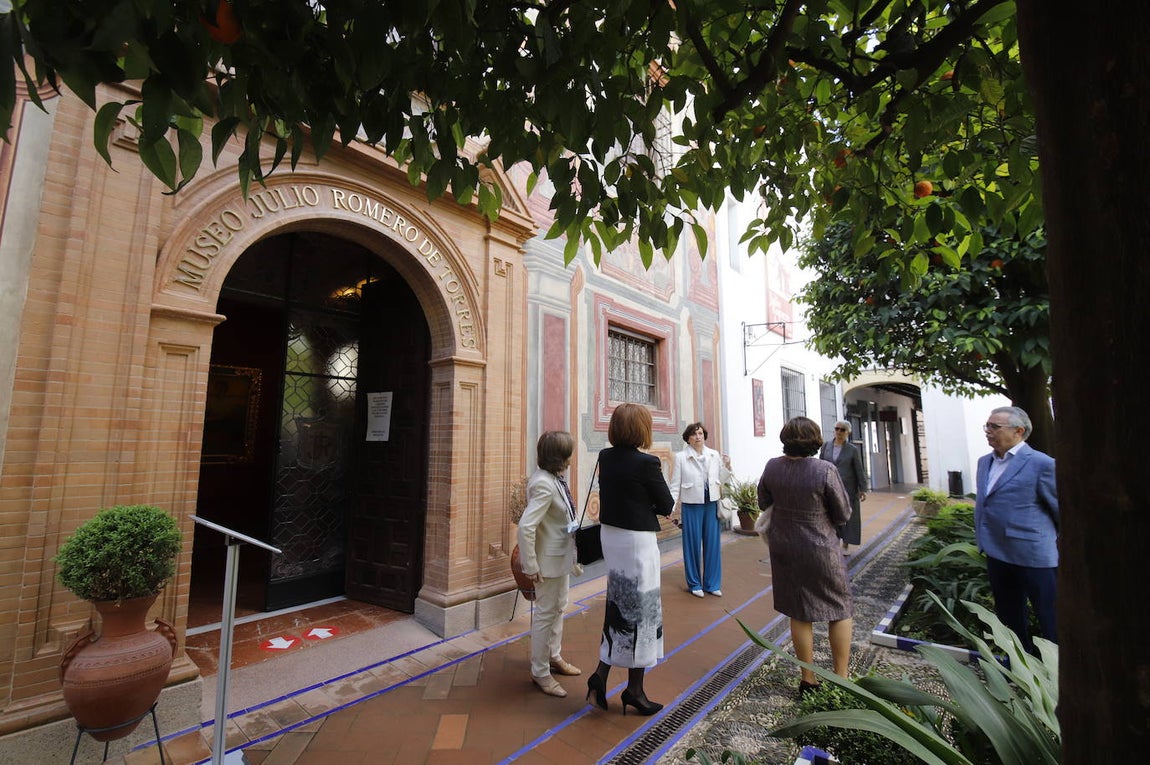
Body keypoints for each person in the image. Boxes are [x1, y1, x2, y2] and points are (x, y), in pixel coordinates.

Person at [586, 403, 675, 716]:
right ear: (642, 429)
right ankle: (634, 690)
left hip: (611, 536)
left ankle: (600, 676)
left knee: (619, 605)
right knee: (643, 612)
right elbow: (666, 503)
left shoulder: (605, 457)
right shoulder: (647, 463)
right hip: (637, 542)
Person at [757, 416, 854, 697]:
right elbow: (843, 513)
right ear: (814, 440)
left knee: (799, 612)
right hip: (820, 547)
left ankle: (807, 679)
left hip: (784, 545)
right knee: (840, 608)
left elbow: (763, 501)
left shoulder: (772, 466)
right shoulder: (825, 469)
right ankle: (841, 678)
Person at [974, 406, 1059, 653]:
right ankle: (1019, 666)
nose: (988, 432)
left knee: (1049, 616)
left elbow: (1060, 508)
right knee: (1009, 617)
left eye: (994, 427)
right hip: (996, 552)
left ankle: (1057, 672)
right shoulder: (984, 462)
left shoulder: (1042, 464)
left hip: (1034, 555)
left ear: (1019, 431)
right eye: (987, 426)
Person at [516, 430, 582, 697]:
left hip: (561, 558)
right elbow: (526, 526)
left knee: (558, 608)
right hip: (547, 563)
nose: (571, 459)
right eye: (568, 454)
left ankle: (554, 656)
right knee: (545, 615)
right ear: (559, 457)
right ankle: (540, 672)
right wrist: (530, 565)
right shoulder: (543, 483)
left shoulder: (555, 479)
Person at [669, 422, 730, 597]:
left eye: (701, 433)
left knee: (712, 544)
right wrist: (670, 507)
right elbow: (675, 486)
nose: (698, 437)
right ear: (688, 438)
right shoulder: (681, 457)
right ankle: (695, 584)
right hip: (691, 505)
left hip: (711, 503)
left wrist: (727, 466)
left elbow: (721, 479)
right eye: (695, 434)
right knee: (692, 545)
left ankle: (712, 584)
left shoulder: (714, 455)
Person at [819, 420, 867, 553]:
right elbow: (820, 465)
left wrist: (863, 488)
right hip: (829, 487)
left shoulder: (852, 450)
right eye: (837, 429)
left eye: (842, 430)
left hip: (848, 488)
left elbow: (859, 469)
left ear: (848, 432)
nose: (839, 432)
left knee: (848, 514)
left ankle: (846, 542)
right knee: (831, 513)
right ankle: (834, 540)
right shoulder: (826, 446)